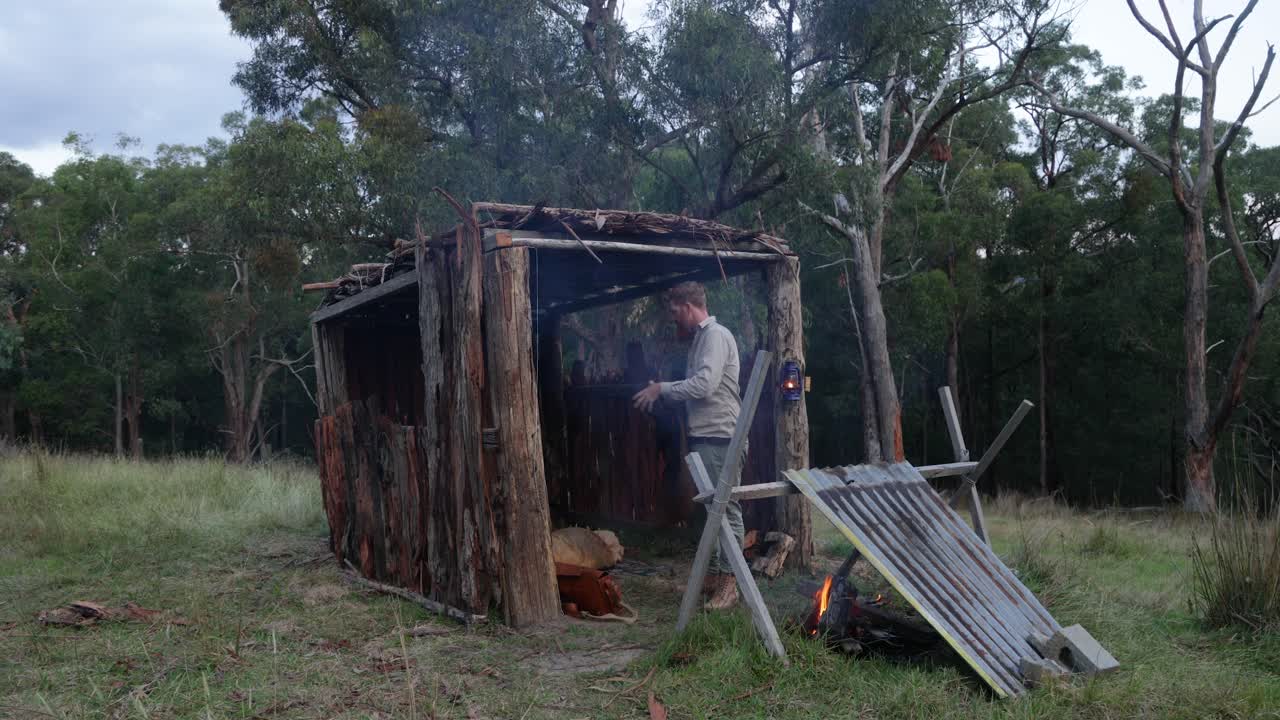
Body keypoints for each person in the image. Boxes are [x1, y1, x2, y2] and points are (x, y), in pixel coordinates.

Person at [632, 281, 742, 610]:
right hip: (705, 436)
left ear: (689, 307)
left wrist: (662, 389)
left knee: (726, 508)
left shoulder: (715, 336)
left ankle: (731, 583)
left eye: (674, 311)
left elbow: (705, 385)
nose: (673, 318)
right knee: (710, 509)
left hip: (721, 436)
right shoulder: (700, 340)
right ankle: (713, 575)